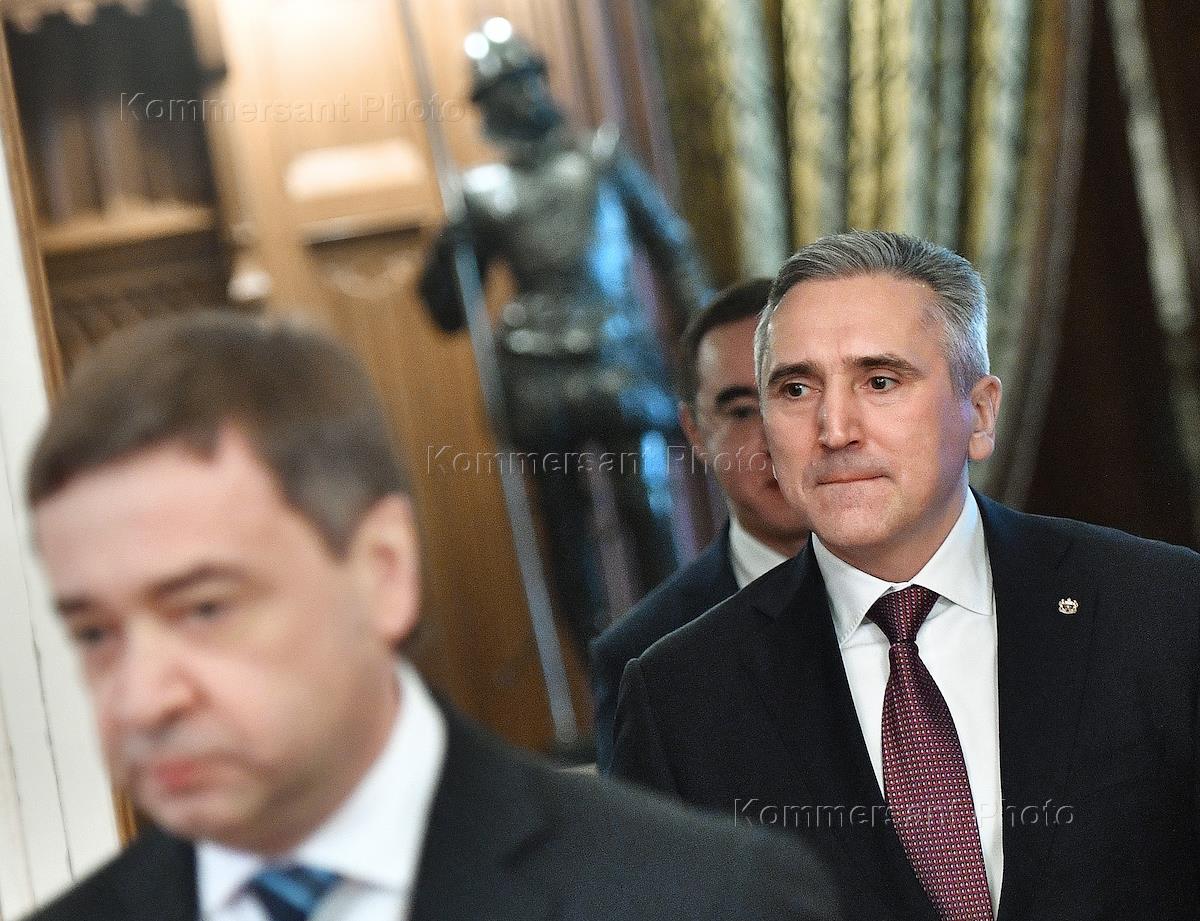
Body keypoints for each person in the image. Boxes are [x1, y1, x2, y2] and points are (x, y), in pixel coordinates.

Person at [19, 311, 844, 921]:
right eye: (95, 632)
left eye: (204, 607)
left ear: (383, 572)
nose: (140, 698)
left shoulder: (707, 899)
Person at [611, 230, 1200, 920]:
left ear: (979, 412)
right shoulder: (679, 699)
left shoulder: (1161, 608)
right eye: (796, 388)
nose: (835, 428)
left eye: (880, 381)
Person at [419, 20, 712, 651]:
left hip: (618, 356)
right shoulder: (483, 193)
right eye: (504, 87)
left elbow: (673, 249)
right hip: (538, 372)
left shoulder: (603, 161)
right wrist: (449, 252)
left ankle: (683, 658)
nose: (520, 95)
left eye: (525, 79)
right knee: (566, 530)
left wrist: (708, 347)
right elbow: (447, 313)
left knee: (649, 506)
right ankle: (601, 673)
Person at [590, 278, 810, 772]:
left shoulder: (944, 579)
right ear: (695, 433)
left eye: (795, 393)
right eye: (742, 411)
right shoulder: (640, 657)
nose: (774, 439)